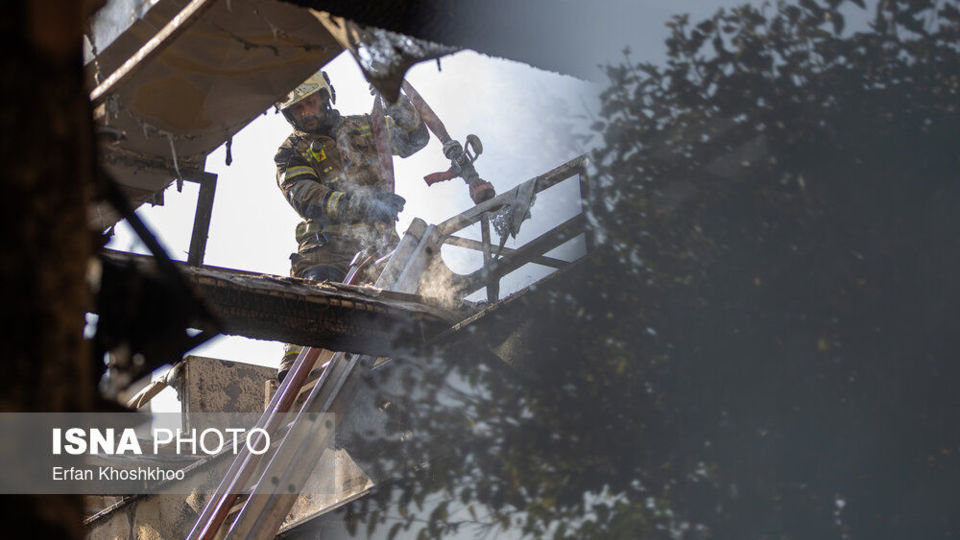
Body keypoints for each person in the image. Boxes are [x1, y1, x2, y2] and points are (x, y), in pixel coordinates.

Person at [273, 70, 429, 381]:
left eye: (310, 102)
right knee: (315, 297)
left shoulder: (366, 126)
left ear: (326, 96)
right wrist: (364, 204)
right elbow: (306, 197)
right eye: (297, 110)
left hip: (379, 246)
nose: (306, 113)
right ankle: (295, 374)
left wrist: (393, 97)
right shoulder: (290, 152)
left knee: (419, 305)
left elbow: (415, 138)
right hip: (326, 250)